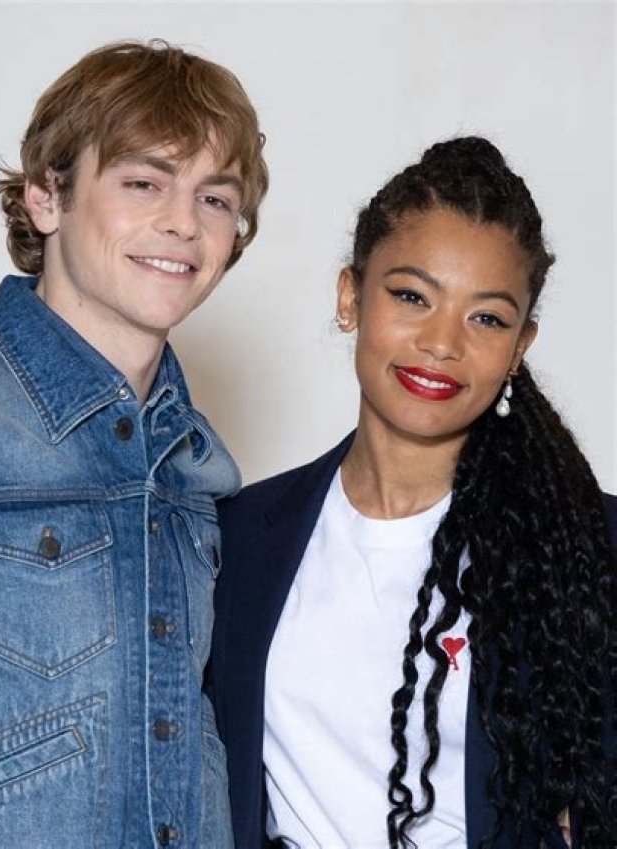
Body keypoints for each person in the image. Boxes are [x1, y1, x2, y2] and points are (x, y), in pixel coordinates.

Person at [0, 39, 267, 848]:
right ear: (46, 196)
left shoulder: (196, 469)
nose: (183, 223)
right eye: (144, 183)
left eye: (215, 198)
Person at [211, 137, 616, 849]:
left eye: (486, 318)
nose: (442, 342)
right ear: (350, 297)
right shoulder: (239, 536)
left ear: (520, 346)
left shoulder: (588, 547)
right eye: (411, 296)